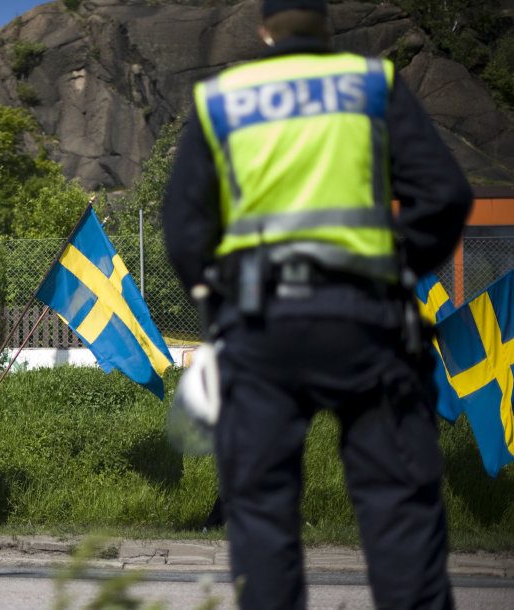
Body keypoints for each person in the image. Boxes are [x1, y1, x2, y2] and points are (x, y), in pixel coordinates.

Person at [162, 1, 473, 608]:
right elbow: (445, 194)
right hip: (368, 322)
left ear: (262, 30)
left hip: (260, 326)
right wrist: (395, 269)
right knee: (399, 511)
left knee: (261, 513)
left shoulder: (222, 98)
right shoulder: (370, 84)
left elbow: (183, 231)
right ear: (326, 24)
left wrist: (220, 307)